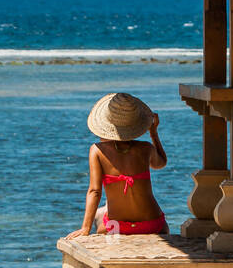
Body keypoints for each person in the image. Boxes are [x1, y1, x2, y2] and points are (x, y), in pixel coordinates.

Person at [65, 92, 168, 237]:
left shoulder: (97, 151)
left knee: (100, 225)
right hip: (152, 224)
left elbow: (95, 191)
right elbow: (161, 163)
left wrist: (85, 228)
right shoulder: (146, 148)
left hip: (118, 226)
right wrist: (153, 133)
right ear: (135, 125)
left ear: (107, 124)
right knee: (164, 227)